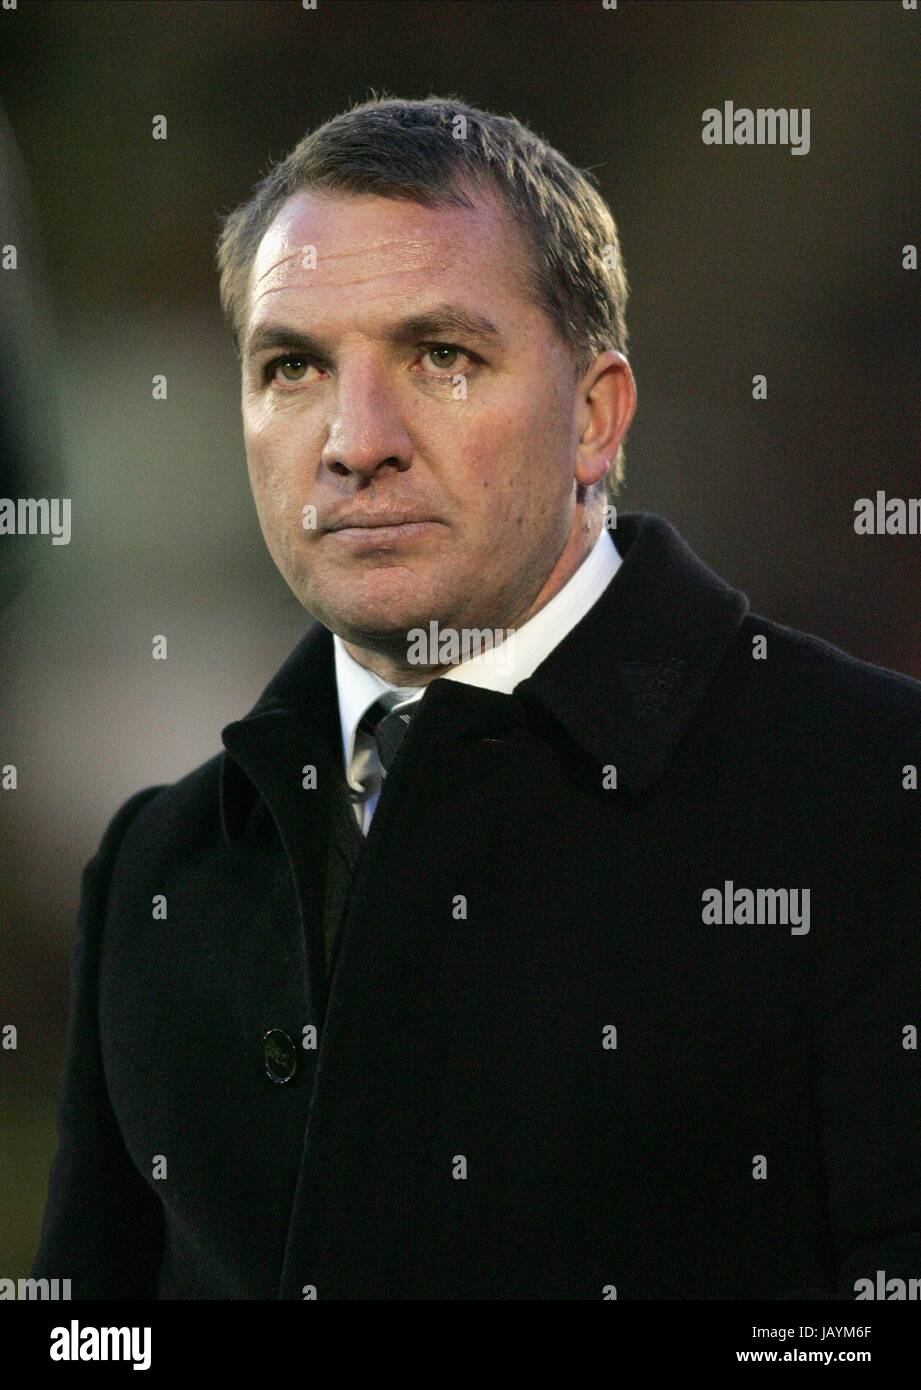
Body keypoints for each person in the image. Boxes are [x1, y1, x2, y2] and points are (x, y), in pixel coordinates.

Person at [32, 96, 921, 1300]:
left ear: (595, 417)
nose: (355, 440)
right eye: (292, 366)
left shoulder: (871, 795)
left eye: (442, 357)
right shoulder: (158, 868)